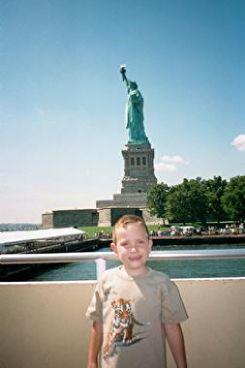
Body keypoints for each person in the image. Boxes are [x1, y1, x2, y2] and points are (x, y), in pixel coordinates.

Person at [86, 215, 188, 368]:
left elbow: (172, 327)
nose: (133, 249)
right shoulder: (105, 280)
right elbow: (98, 322)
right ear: (115, 249)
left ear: (149, 245)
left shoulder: (162, 283)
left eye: (140, 242)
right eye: (125, 243)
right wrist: (92, 361)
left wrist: (182, 365)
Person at [120, 65, 149, 144]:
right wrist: (123, 74)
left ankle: (139, 139)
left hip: (136, 113)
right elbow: (126, 83)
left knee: (136, 125)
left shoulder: (136, 92)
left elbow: (140, 100)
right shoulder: (130, 91)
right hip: (131, 112)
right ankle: (133, 139)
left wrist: (135, 99)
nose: (129, 86)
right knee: (132, 125)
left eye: (130, 85)